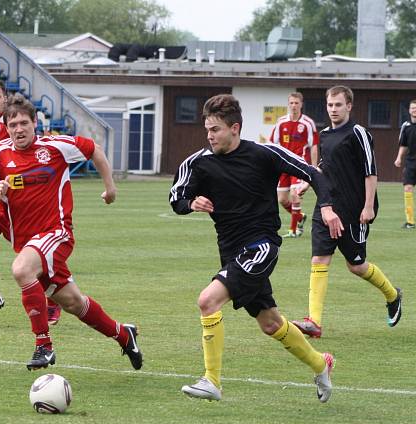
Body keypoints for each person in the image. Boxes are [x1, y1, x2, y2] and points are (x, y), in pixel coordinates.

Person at [169, 94, 340, 403]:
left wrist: (326, 207)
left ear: (235, 128)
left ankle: (212, 380)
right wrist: (191, 203)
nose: (209, 136)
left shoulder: (264, 154)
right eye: (207, 129)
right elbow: (176, 197)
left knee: (208, 301)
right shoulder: (199, 163)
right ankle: (320, 363)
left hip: (261, 246)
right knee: (270, 323)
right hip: (231, 251)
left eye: (216, 129)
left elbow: (314, 173)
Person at [0, 94, 142, 371]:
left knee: (21, 270)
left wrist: (110, 187)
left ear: (35, 123)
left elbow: (94, 149)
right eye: (13, 124)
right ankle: (125, 335)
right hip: (28, 244)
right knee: (74, 303)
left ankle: (44, 345)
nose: (19, 129)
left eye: (24, 123)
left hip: (57, 233)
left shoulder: (55, 146)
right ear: (6, 127)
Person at [292, 85, 403, 339]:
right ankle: (314, 321)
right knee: (319, 259)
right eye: (330, 105)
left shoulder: (358, 133)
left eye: (338, 105)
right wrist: (307, 184)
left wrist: (367, 206)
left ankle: (392, 295)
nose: (333, 109)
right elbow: (322, 166)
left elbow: (370, 172)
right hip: (326, 206)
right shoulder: (325, 134)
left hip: (353, 210)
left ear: (349, 106)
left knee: (356, 266)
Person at [0, 78, 62, 324]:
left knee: (34, 255)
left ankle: (54, 298)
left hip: (19, 199)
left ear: (5, 99)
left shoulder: (15, 123)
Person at [269, 92, 319, 237]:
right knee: (282, 199)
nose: (293, 106)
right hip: (283, 165)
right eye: (291, 103)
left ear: (301, 104)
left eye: (296, 103)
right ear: (288, 104)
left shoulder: (307, 123)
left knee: (295, 194)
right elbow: (273, 144)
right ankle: (300, 216)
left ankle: (293, 230)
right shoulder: (281, 122)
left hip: (299, 165)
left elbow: (314, 145)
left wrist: (313, 168)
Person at [394, 99, 416, 229]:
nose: (414, 110)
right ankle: (410, 221)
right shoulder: (406, 126)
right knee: (407, 188)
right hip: (411, 163)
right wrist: (399, 158)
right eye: (412, 108)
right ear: (409, 110)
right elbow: (403, 144)